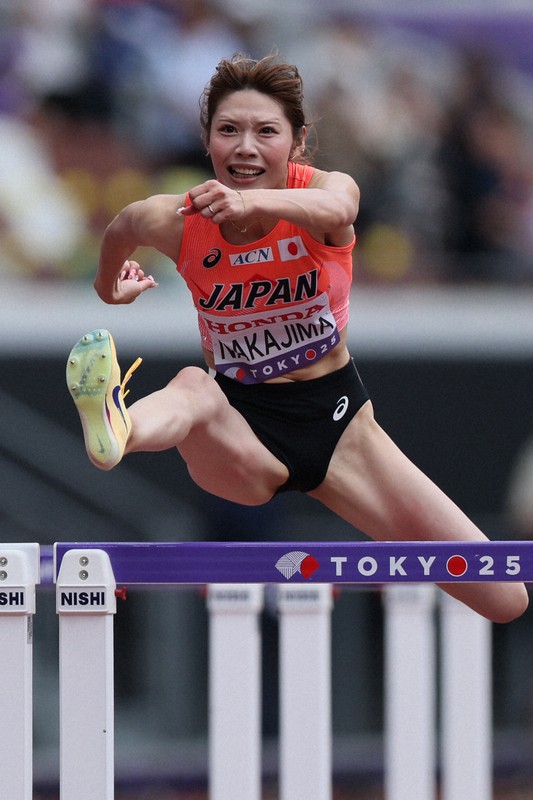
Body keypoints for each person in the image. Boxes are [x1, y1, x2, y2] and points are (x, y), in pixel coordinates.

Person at [66, 53, 528, 624]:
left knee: (504, 596)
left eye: (266, 132)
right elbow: (123, 227)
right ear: (207, 140)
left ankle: (125, 423)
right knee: (193, 387)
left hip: (340, 427)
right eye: (228, 130)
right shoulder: (179, 219)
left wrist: (251, 202)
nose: (245, 147)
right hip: (241, 428)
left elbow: (342, 206)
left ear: (297, 141)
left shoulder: (326, 193)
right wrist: (112, 289)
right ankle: (118, 425)